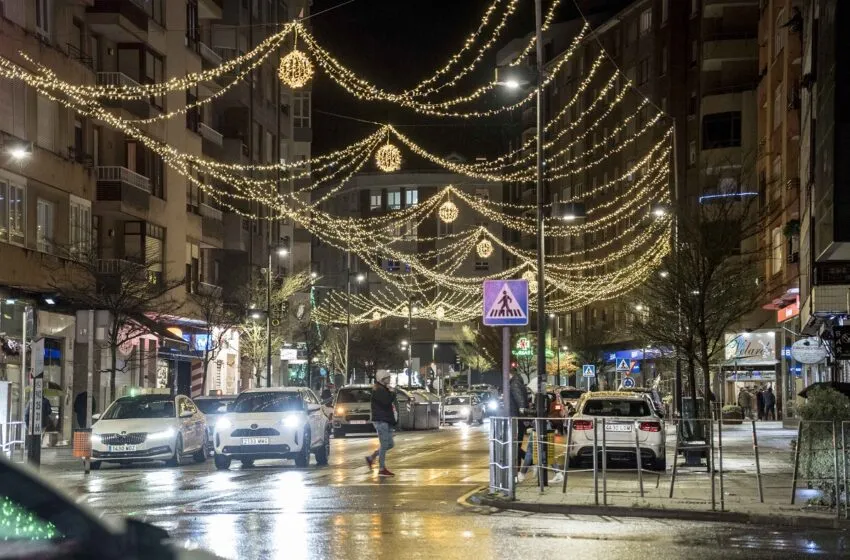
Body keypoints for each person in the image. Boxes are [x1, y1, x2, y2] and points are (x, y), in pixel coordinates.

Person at [365, 371, 397, 477]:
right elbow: (386, 401)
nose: (389, 379)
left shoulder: (383, 389)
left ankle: (371, 458)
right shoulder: (379, 390)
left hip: (385, 420)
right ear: (382, 379)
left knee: (390, 444)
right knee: (384, 445)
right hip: (381, 420)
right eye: (388, 377)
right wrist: (392, 392)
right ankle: (382, 468)